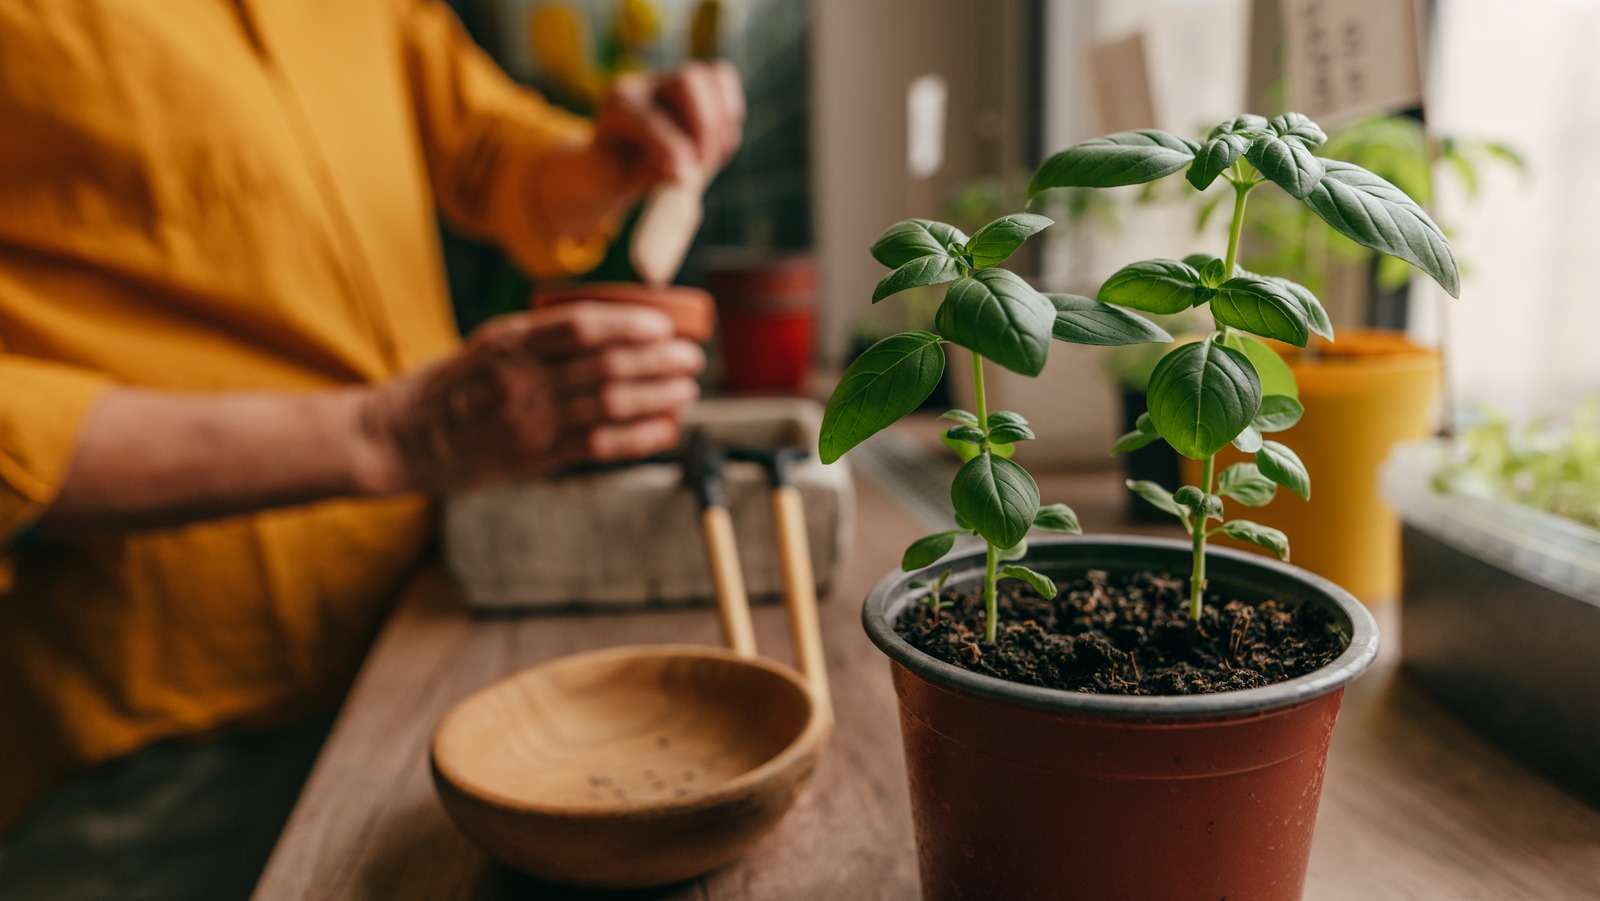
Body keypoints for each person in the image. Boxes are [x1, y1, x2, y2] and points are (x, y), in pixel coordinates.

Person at [0, 2, 743, 898]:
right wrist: (387, 433)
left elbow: (482, 145)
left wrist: (609, 160)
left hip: (421, 627)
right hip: (160, 734)